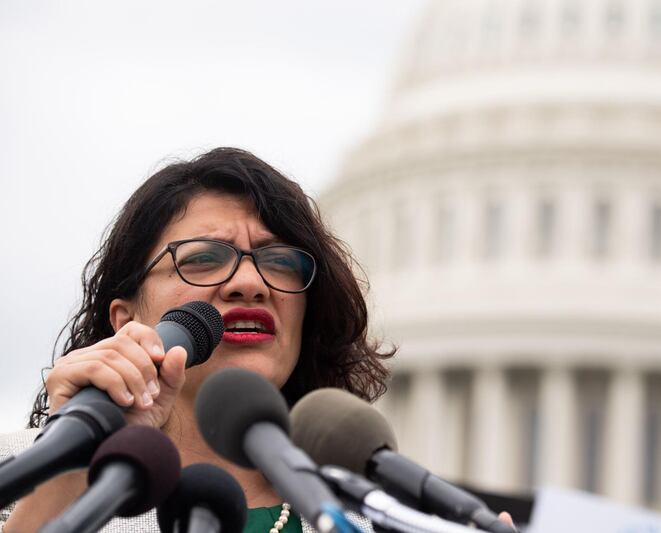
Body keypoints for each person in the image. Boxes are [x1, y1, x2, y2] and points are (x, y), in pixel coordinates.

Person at [1, 147, 394, 532]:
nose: (249, 284)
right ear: (126, 320)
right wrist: (66, 472)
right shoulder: (16, 477)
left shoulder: (375, 512)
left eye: (280, 261)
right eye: (203, 259)